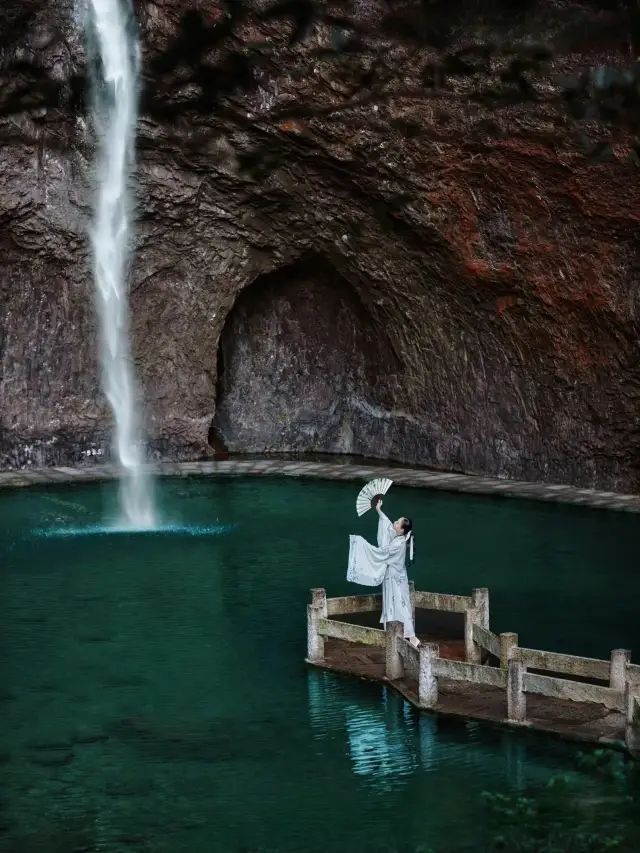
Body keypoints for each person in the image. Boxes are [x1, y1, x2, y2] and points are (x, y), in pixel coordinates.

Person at [347, 498, 419, 647]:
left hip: (393, 577)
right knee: (398, 603)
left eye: (398, 523)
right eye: (398, 521)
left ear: (401, 530)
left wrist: (361, 544)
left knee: (399, 604)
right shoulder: (399, 538)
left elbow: (381, 552)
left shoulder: (398, 543)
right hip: (396, 576)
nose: (396, 522)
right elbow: (387, 526)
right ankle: (399, 634)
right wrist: (379, 511)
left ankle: (409, 635)